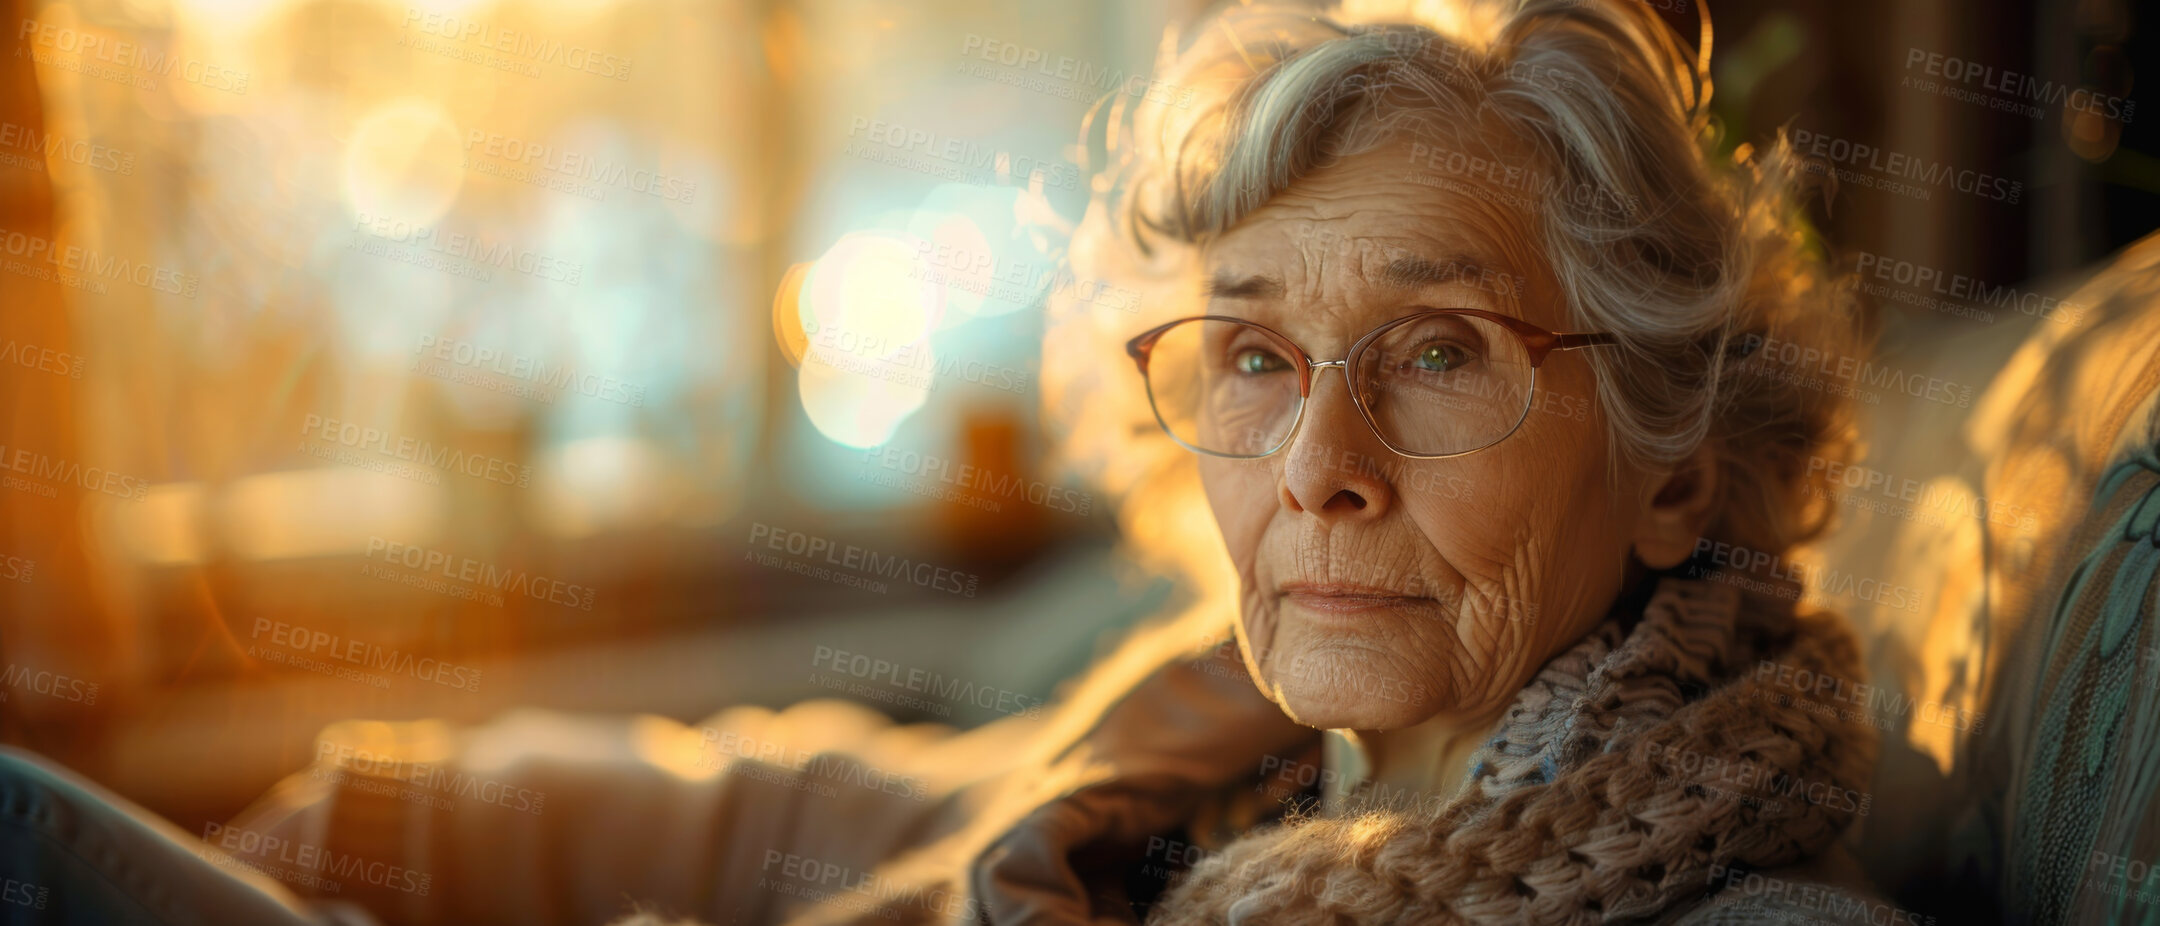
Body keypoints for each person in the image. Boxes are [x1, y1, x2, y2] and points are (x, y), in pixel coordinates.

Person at [0, 0, 1886, 922]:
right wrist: (391, 812)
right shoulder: (1229, 746)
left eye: (1441, 352)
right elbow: (826, 808)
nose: (1318, 458)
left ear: (1673, 463)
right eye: (1250, 352)